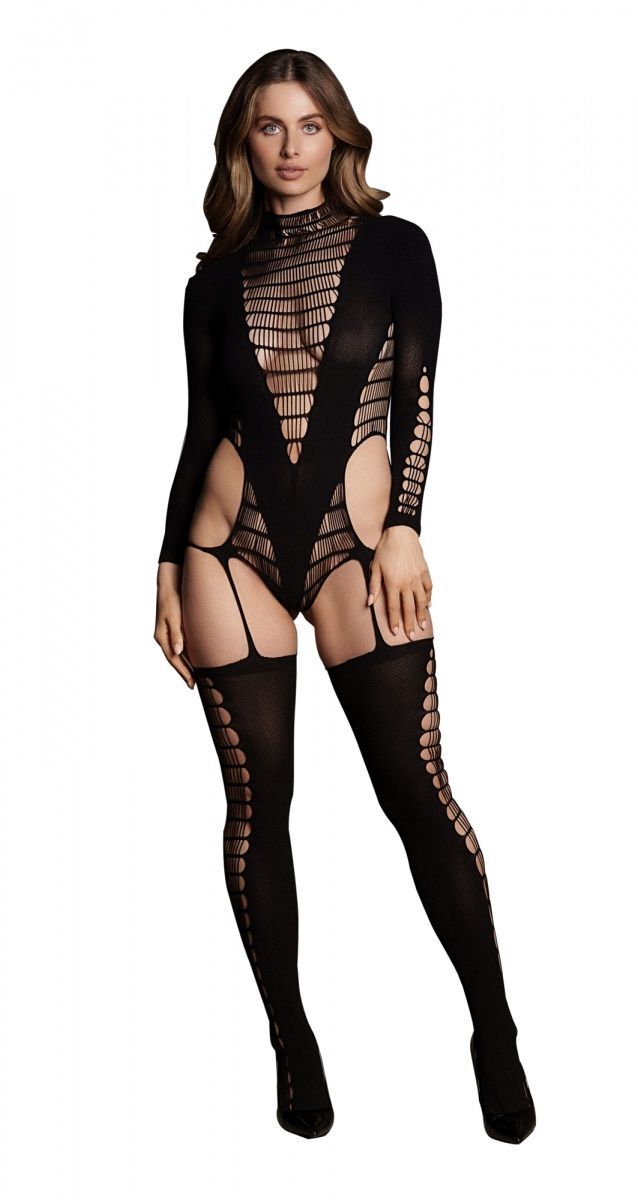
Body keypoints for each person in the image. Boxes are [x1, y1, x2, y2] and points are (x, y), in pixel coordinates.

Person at [154, 48, 536, 1144]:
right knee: (256, 805)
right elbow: (199, 428)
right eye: (269, 126)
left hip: (356, 551)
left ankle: (493, 1028)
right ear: (243, 141)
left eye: (310, 125)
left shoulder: (395, 248)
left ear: (340, 136)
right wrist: (167, 563)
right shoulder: (212, 282)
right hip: (225, 553)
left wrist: (405, 525)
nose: (290, 147)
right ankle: (291, 1039)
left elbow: (417, 395)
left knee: (416, 791)